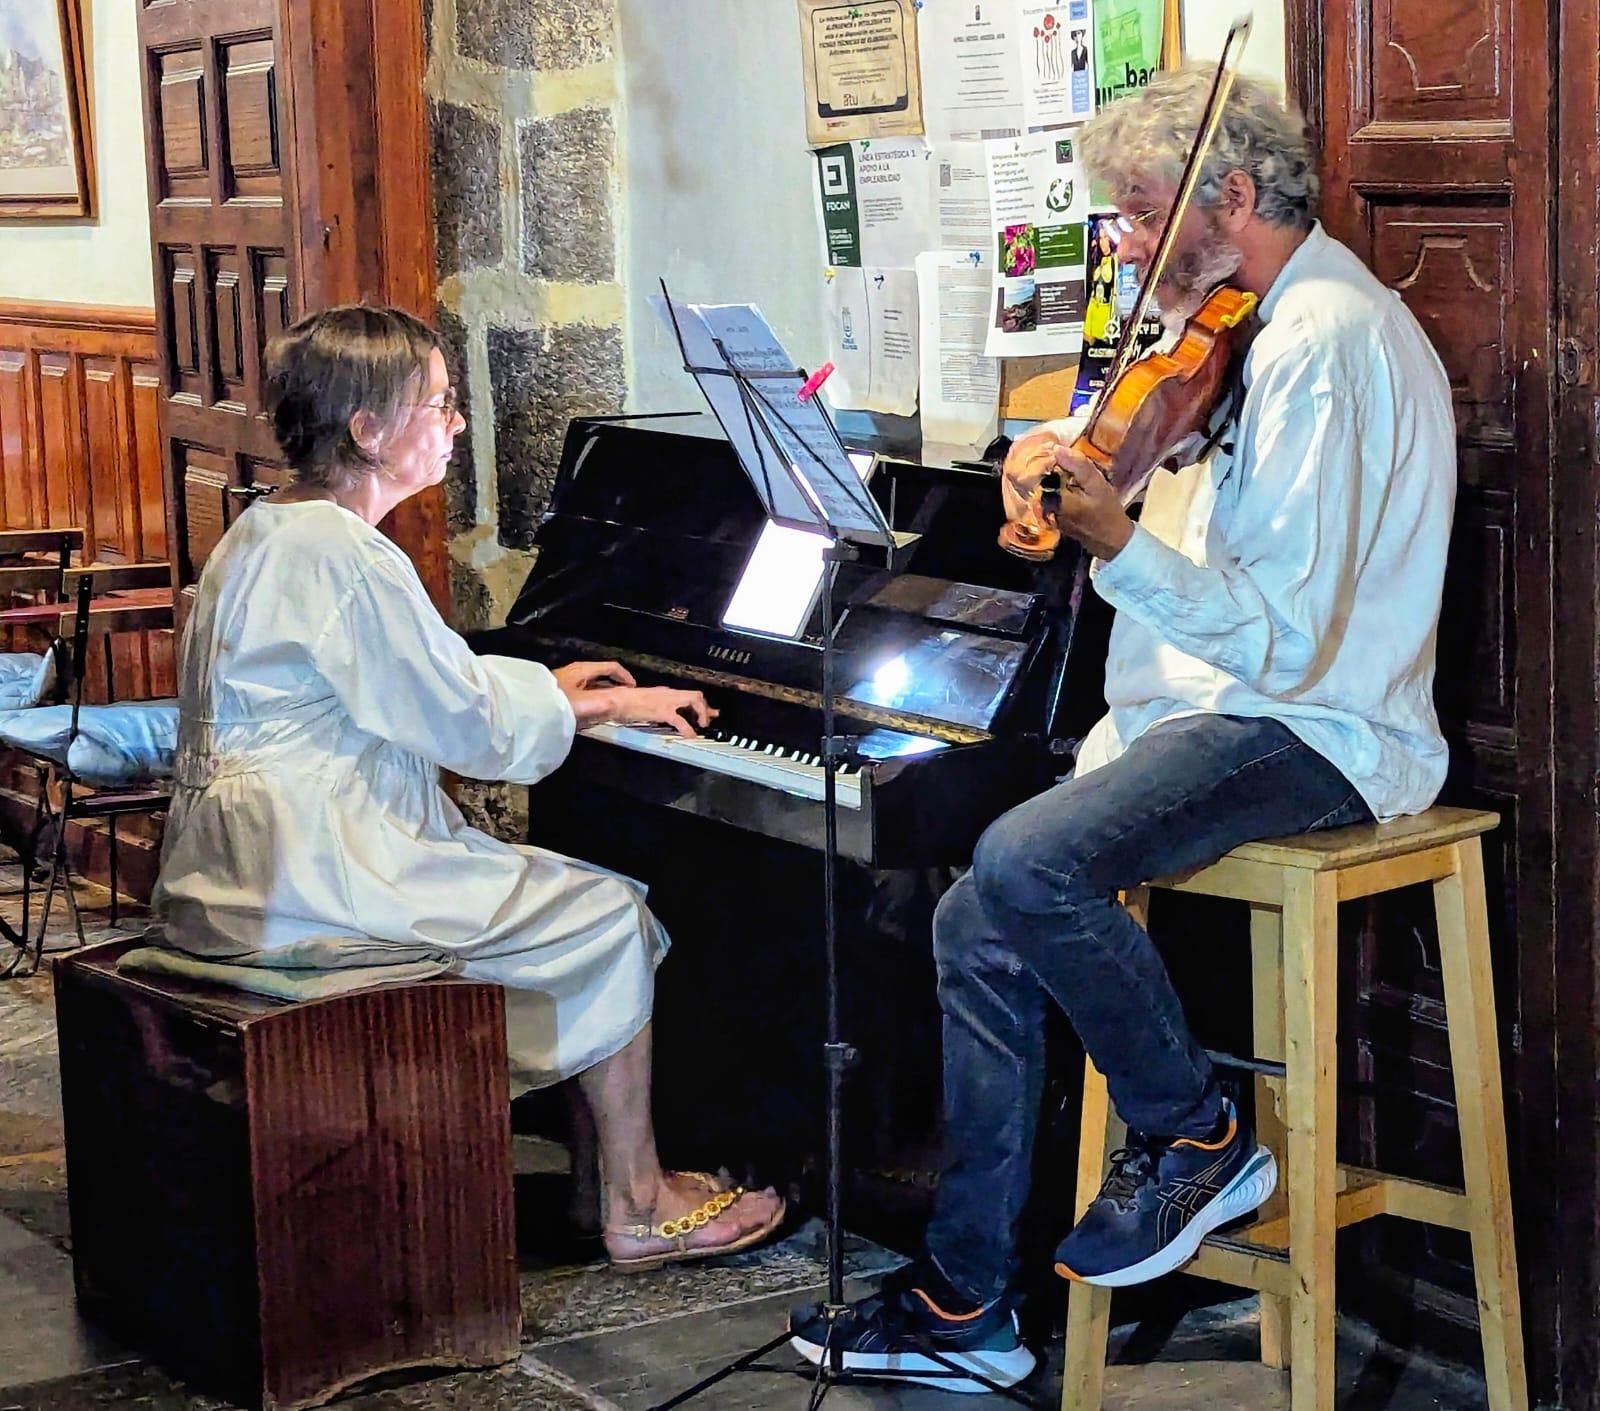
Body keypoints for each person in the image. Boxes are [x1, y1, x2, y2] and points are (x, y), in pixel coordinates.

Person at [791, 62, 1454, 1390]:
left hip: (1320, 726)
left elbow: (1286, 636)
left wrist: (1114, 536)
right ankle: (969, 1300)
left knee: (1029, 860)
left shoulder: (1321, 336)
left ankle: (1197, 1133)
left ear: (1236, 195)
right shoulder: (1233, 330)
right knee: (977, 909)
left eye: (1147, 214)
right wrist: (1075, 470)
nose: (1130, 245)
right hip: (1220, 713)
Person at [150, 304, 785, 1272]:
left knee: (558, 903)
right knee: (605, 912)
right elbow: (470, 728)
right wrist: (592, 708)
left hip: (236, 866)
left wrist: (559, 693)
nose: (453, 425)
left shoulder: (266, 531)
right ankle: (638, 1199)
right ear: (367, 431)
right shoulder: (348, 555)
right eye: (438, 405)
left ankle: (591, 1180)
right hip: (316, 880)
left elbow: (418, 692)